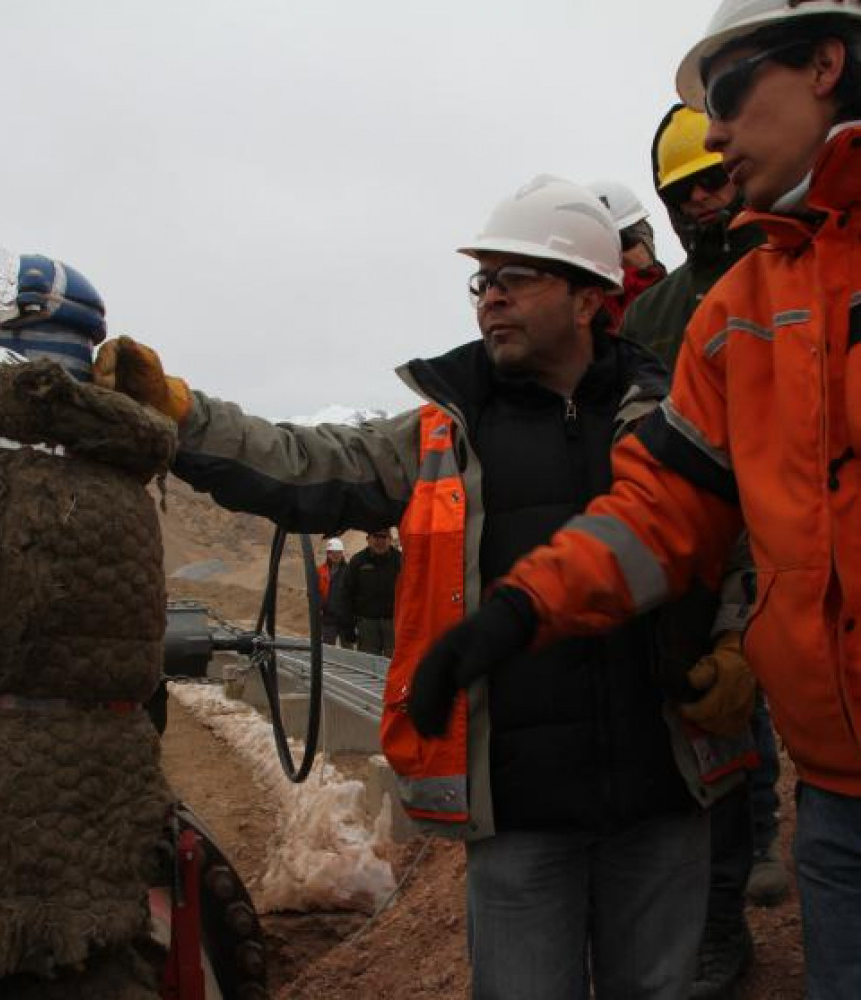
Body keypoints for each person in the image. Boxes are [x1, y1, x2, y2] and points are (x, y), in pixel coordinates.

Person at [90, 175, 752, 998]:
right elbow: (306, 463)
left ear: (589, 298)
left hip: (663, 783)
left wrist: (736, 643)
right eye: (484, 282)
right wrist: (184, 418)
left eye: (517, 278)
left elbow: (737, 543)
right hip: (517, 804)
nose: (491, 299)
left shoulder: (669, 412)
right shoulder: (445, 427)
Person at [407, 5, 861, 997]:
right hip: (836, 796)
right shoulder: (735, 315)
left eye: (728, 95)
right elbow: (665, 509)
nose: (717, 132)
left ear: (825, 62)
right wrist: (518, 609)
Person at [621, 103, 786, 1000]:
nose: (704, 202)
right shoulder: (656, 310)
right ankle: (722, 917)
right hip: (715, 540)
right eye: (683, 192)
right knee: (714, 716)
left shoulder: (802, 265)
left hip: (808, 526)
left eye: (713, 180)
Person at [588, 180, 667, 328]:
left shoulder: (679, 294)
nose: (621, 256)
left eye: (625, 239)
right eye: (607, 246)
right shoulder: (586, 323)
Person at [334, 530, 401, 656]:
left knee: (394, 665)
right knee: (368, 665)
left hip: (394, 624)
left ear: (390, 539)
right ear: (368, 539)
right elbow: (346, 594)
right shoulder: (358, 561)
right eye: (376, 537)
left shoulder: (400, 561)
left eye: (383, 537)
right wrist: (347, 625)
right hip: (366, 625)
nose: (380, 541)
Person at [317, 537, 353, 647]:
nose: (336, 555)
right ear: (328, 553)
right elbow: (315, 592)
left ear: (342, 553)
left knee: (348, 651)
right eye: (333, 553)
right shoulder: (320, 571)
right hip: (328, 618)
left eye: (338, 553)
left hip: (345, 618)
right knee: (327, 650)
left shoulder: (349, 571)